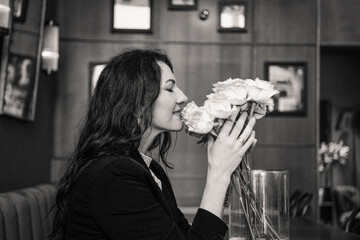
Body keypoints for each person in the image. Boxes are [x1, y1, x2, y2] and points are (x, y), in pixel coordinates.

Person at [50, 48, 256, 240]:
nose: (183, 97)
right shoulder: (113, 176)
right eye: (170, 88)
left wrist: (224, 171)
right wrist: (218, 174)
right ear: (137, 102)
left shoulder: (147, 168)